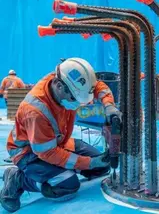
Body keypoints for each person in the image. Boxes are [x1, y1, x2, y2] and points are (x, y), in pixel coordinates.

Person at [0, 58, 122, 212]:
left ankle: (62, 171)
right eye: (74, 99)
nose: (78, 104)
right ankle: (18, 179)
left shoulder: (66, 79)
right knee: (67, 184)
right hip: (30, 152)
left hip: (58, 141)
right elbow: (47, 152)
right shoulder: (35, 111)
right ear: (59, 87)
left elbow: (96, 85)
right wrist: (88, 163)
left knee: (101, 167)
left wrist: (108, 105)